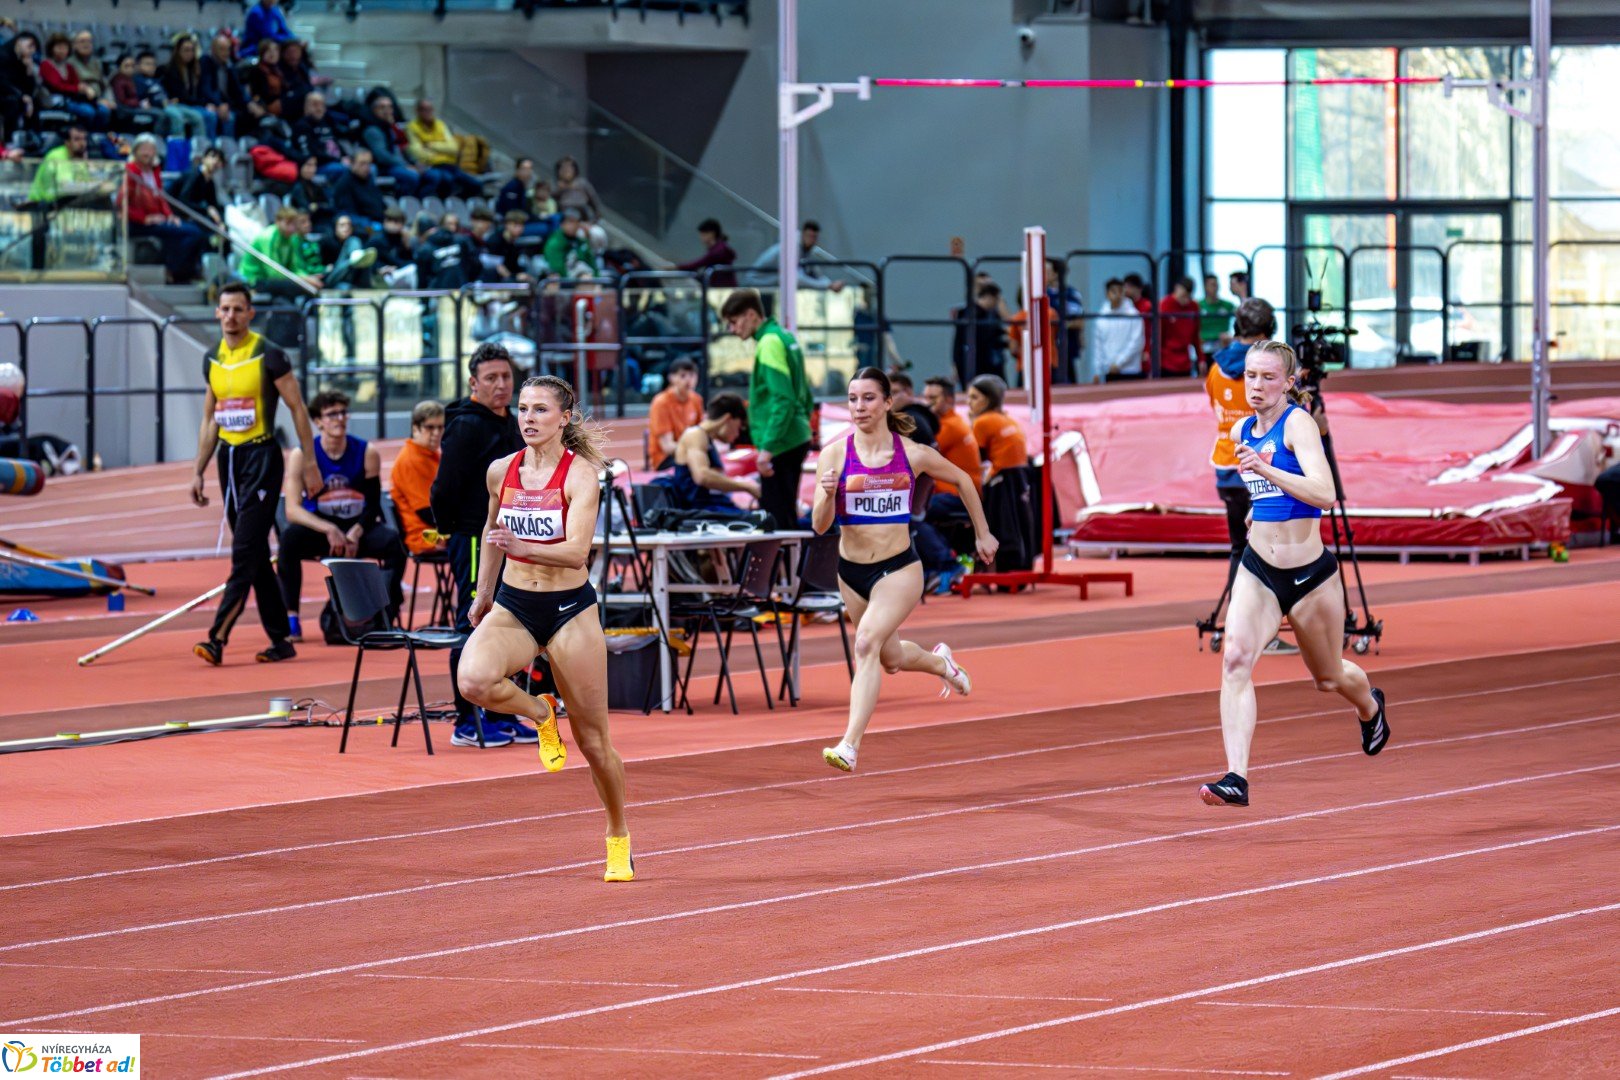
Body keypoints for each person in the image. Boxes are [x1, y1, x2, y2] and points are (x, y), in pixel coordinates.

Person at [1199, 339, 1389, 808]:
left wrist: (1266, 469)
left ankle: (1370, 706)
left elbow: (1324, 494)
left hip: (1309, 576)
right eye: (1250, 376)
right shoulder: (1242, 428)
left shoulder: (1298, 423)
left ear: (1288, 382)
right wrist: (1257, 510)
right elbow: (1268, 494)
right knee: (1235, 660)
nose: (1256, 386)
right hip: (1259, 570)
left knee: (1328, 678)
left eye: (1268, 377)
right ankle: (1236, 777)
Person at [457, 375, 632, 879]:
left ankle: (617, 835)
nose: (528, 418)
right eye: (523, 409)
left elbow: (577, 552)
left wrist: (523, 547)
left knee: (594, 744)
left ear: (564, 418)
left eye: (540, 410)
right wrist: (483, 594)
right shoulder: (501, 471)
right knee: (473, 680)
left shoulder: (581, 476)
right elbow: (492, 533)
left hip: (569, 610)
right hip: (515, 605)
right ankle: (541, 712)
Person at [814, 368, 997, 772]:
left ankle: (849, 746)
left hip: (898, 569)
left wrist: (983, 534)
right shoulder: (834, 455)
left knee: (865, 643)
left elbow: (964, 480)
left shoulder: (911, 454)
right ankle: (942, 663)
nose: (859, 407)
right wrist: (827, 496)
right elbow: (820, 526)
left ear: (887, 403)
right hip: (852, 574)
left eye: (868, 398)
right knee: (890, 659)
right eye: (852, 399)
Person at [189, 283, 321, 665]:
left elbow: (297, 408)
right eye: (225, 309)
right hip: (229, 461)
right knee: (257, 554)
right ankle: (281, 640)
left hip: (262, 457)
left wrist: (309, 462)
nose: (230, 316)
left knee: (244, 550)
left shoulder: (269, 355)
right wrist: (198, 471)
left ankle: (217, 637)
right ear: (217, 313)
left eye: (238, 309)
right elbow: (210, 419)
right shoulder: (211, 359)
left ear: (250, 313)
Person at [430, 342, 533, 749]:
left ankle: (501, 713)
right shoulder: (466, 426)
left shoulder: (514, 423)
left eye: (506, 376)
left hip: (512, 536)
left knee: (508, 624)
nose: (501, 384)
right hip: (475, 536)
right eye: (491, 378)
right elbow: (444, 488)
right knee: (473, 621)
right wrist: (455, 531)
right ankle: (467, 720)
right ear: (474, 382)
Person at [1207, 299, 1298, 658]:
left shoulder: (1215, 370)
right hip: (1261, 467)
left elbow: (1214, 405)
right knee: (1267, 551)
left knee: (1239, 549)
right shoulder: (1267, 369)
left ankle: (1240, 627)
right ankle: (1261, 631)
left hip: (1226, 468)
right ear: (1267, 331)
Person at [276, 390, 405, 636]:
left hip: (356, 527)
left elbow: (373, 504)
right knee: (289, 540)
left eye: (343, 412)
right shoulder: (302, 456)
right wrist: (328, 529)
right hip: (322, 528)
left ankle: (385, 614)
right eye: (332, 414)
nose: (340, 419)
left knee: (393, 543)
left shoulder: (366, 452)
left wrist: (356, 532)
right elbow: (292, 510)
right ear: (318, 421)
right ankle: (291, 618)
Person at [722, 288, 812, 531]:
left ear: (751, 315)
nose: (732, 329)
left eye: (734, 322)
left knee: (776, 523)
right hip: (795, 435)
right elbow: (804, 393)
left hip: (782, 442)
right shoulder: (785, 337)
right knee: (786, 517)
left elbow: (784, 398)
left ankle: (787, 558)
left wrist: (768, 449)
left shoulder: (769, 343)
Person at [123, 134, 207, 284]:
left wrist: (170, 215)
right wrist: (145, 218)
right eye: (144, 149)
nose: (148, 153)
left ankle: (182, 273)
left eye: (151, 149)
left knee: (195, 229)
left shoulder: (154, 171)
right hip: (138, 223)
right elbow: (122, 205)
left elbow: (161, 198)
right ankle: (176, 272)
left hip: (158, 220)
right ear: (135, 151)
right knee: (192, 233)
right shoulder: (130, 172)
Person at [666, 392, 758, 516]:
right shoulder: (694, 435)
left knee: (760, 517)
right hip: (702, 510)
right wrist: (747, 487)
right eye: (739, 427)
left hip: (712, 506)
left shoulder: (706, 438)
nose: (737, 435)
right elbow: (702, 476)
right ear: (728, 419)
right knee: (759, 521)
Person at [392, 401, 446, 556]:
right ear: (415, 428)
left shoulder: (431, 454)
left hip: (435, 531)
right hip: (425, 536)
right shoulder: (411, 460)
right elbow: (427, 512)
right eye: (430, 427)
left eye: (440, 427)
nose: (436, 433)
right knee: (474, 537)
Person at [241, 206, 323, 299]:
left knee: (312, 284)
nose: (292, 227)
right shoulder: (268, 237)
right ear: (278, 221)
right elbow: (273, 273)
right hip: (255, 279)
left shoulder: (290, 238)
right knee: (296, 287)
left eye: (294, 223)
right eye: (288, 223)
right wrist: (303, 279)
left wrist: (307, 278)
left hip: (276, 278)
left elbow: (295, 267)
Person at [405, 98, 482, 198]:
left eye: (430, 109)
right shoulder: (412, 127)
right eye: (424, 109)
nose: (428, 112)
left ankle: (458, 201)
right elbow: (417, 151)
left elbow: (454, 148)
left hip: (450, 165)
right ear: (418, 111)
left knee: (476, 185)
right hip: (432, 165)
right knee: (446, 179)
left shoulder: (440, 125)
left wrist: (430, 145)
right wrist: (443, 151)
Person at [39, 33, 111, 130]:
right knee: (88, 112)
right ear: (52, 49)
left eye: (65, 48)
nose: (62, 50)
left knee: (103, 110)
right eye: (59, 47)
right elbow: (56, 86)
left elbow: (76, 83)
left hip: (73, 99)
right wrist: (78, 88)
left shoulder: (69, 67)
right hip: (57, 100)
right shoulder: (46, 65)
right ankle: (85, 133)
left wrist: (84, 88)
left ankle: (97, 134)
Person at [747, 220, 844, 292]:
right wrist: (828, 285)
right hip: (757, 286)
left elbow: (816, 273)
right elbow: (795, 278)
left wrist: (830, 284)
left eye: (815, 237)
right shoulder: (790, 248)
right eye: (810, 236)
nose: (812, 240)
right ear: (803, 235)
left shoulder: (804, 250)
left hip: (769, 286)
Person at [967, 374, 1028, 485]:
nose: (968, 402)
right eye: (969, 397)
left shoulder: (982, 421)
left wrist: (972, 424)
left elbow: (973, 460)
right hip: (1020, 480)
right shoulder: (1008, 419)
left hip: (1001, 482)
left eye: (974, 397)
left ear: (988, 401)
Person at [647, 357, 703, 470]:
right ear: (671, 378)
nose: (688, 380)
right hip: (665, 458)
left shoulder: (696, 399)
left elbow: (700, 431)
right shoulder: (661, 403)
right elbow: (667, 446)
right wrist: (695, 452)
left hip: (688, 451)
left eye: (692, 375)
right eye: (682, 376)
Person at [135, 48, 205, 139]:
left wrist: (170, 100)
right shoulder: (137, 81)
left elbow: (164, 95)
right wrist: (158, 103)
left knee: (197, 116)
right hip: (159, 108)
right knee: (177, 116)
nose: (151, 67)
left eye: (153, 64)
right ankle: (177, 145)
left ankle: (199, 144)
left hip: (170, 104)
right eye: (147, 64)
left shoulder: (157, 80)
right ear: (138, 66)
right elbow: (141, 100)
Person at [951, 280, 1008, 387]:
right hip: (977, 363)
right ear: (989, 297)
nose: (996, 304)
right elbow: (962, 341)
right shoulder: (973, 315)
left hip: (977, 362)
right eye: (996, 300)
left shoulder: (986, 315)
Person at [161, 35, 219, 140]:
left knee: (211, 115)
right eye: (186, 50)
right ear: (178, 51)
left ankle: (210, 145)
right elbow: (179, 96)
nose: (189, 53)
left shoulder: (195, 69)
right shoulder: (169, 70)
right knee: (198, 117)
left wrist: (206, 104)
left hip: (192, 104)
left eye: (192, 50)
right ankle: (198, 146)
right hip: (178, 105)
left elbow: (200, 92)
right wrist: (201, 103)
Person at [1095, 277, 1146, 381]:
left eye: (1120, 291)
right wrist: (1097, 371)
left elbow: (1136, 342)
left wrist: (1119, 363)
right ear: (1107, 294)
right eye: (1114, 291)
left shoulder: (1134, 315)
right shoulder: (1101, 317)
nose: (1117, 295)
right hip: (1109, 370)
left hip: (1130, 370)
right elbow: (1098, 346)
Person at [1044, 257, 1085, 384]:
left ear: (1056, 274)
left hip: (1065, 347)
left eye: (1047, 271)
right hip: (1046, 349)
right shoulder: (1041, 295)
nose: (1043, 274)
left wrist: (1059, 326)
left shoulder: (1071, 294)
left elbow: (1079, 322)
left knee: (1068, 383)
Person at [330, 148, 387, 235]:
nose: (366, 167)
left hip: (378, 222)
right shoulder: (344, 183)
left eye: (369, 163)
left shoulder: (369, 180)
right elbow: (347, 215)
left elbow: (381, 205)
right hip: (360, 228)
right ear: (352, 163)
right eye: (362, 163)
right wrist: (371, 225)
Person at [1158, 275, 1202, 378]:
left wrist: (1201, 359)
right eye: (1183, 296)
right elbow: (1159, 337)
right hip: (1167, 362)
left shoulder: (1193, 306)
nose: (1185, 300)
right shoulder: (1164, 305)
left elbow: (1196, 336)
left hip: (1185, 362)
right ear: (1176, 289)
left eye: (1188, 297)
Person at [677, 218, 738, 287]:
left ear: (711, 234)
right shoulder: (718, 248)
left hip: (722, 287)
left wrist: (675, 267)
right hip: (720, 285)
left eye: (703, 234)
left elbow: (697, 264)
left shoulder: (718, 251)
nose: (701, 237)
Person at [542, 208, 598, 278]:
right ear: (562, 224)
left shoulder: (582, 241)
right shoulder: (554, 243)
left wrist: (597, 277)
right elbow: (557, 268)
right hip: (564, 278)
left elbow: (591, 262)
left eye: (576, 222)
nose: (573, 226)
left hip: (584, 273)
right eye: (570, 222)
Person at [1200, 272, 1236, 365]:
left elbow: (1243, 315)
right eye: (1212, 285)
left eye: (1216, 285)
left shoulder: (1228, 305)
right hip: (1204, 349)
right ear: (1205, 287)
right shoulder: (1198, 306)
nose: (1215, 288)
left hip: (1223, 348)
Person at [552, 155, 601, 221]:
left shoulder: (582, 183)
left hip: (582, 213)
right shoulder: (555, 184)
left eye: (569, 168)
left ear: (575, 170)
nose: (566, 171)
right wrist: (561, 189)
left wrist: (596, 214)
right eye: (563, 168)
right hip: (564, 213)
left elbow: (594, 199)